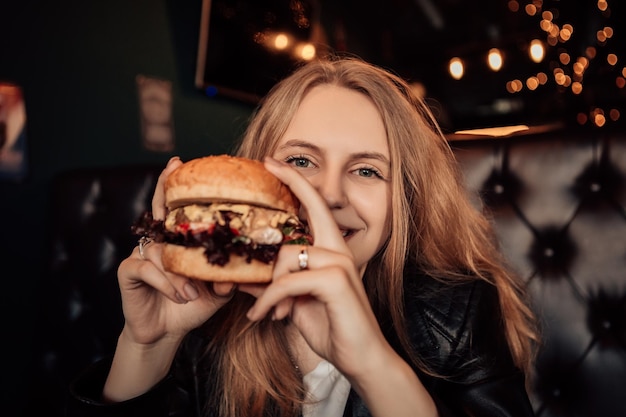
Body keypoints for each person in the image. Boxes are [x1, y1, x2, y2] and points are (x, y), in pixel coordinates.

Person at [68, 57, 538, 417]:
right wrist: (148, 346)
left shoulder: (459, 314)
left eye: (367, 170)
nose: (328, 194)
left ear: (404, 204)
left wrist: (373, 365)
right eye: (300, 161)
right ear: (252, 175)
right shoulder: (207, 323)